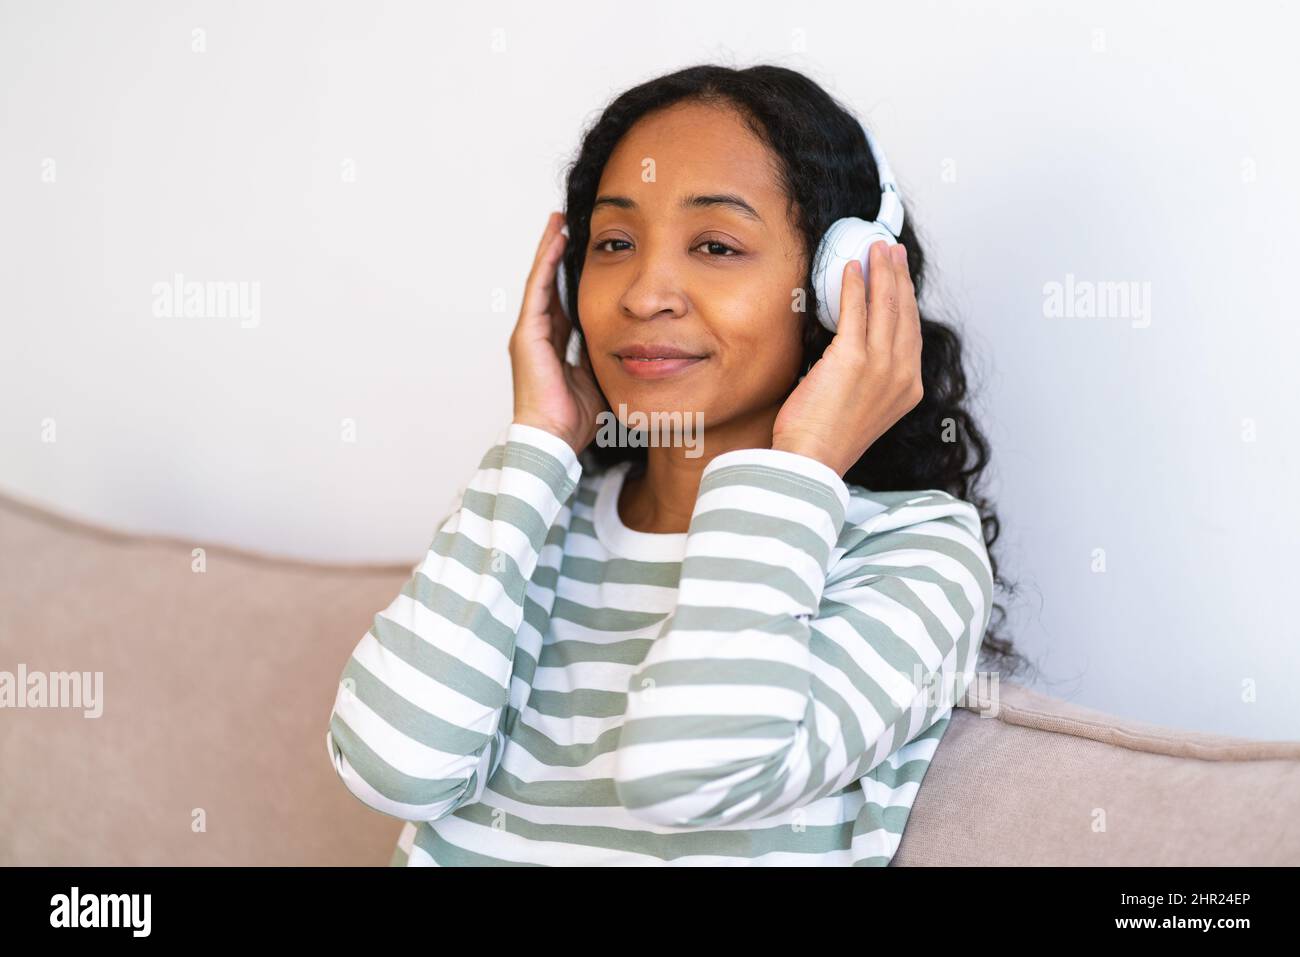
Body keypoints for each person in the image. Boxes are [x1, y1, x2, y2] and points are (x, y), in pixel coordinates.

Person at [327, 63, 1021, 866]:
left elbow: (688, 777)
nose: (645, 293)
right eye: (614, 243)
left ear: (842, 286)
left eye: (716, 245)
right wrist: (537, 443)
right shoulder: (531, 519)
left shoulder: (915, 553)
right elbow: (394, 768)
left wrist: (802, 463)